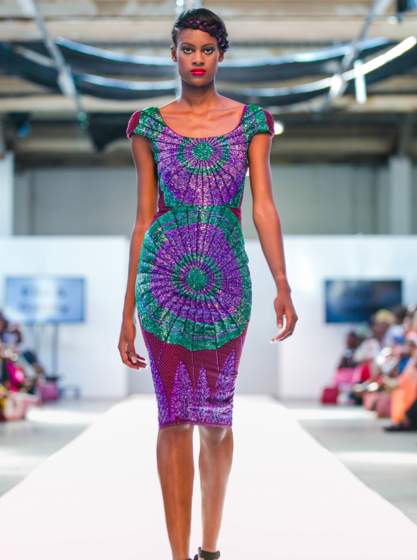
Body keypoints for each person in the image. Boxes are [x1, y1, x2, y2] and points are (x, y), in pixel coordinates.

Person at [119, 8, 297, 560]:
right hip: (162, 286)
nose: (197, 59)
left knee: (216, 421)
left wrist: (282, 282)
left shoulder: (252, 122)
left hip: (227, 286)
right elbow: (143, 219)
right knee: (174, 419)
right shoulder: (147, 125)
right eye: (188, 49)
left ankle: (210, 548)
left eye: (207, 49)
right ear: (173, 54)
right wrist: (126, 312)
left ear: (222, 54)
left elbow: (263, 208)